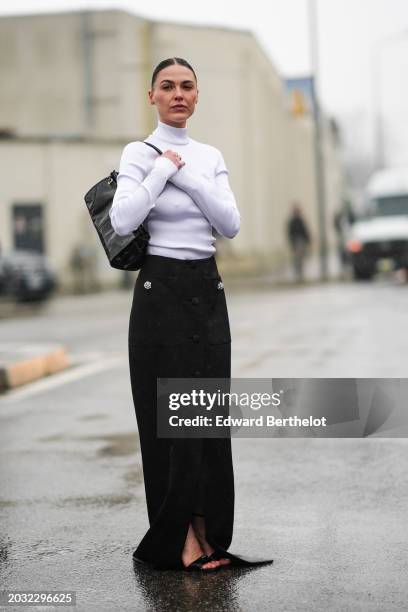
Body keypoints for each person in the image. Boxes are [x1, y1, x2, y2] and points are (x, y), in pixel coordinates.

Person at [109, 57, 273, 572]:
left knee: (205, 419)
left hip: (208, 288)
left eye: (186, 87)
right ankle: (175, 538)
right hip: (160, 292)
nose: (177, 94)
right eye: (167, 86)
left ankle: (207, 535)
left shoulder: (209, 155)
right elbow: (123, 217)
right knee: (168, 424)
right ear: (151, 96)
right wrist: (162, 170)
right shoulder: (140, 152)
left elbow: (230, 223)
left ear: (197, 97)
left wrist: (193, 181)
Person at [286, 204, 311, 282]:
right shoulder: (293, 221)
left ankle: (299, 272)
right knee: (297, 258)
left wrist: (308, 240)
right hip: (297, 241)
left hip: (301, 241)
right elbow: (290, 233)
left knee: (300, 258)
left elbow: (305, 231)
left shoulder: (299, 220)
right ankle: (298, 272)